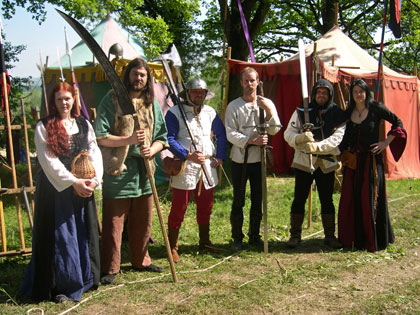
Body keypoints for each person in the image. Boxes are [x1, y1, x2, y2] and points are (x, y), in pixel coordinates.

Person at [21, 82, 103, 303]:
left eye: (67, 98)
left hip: (83, 188)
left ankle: (86, 278)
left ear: (74, 99)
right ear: (53, 101)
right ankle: (60, 285)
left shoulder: (84, 124)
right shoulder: (44, 126)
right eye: (59, 99)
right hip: (56, 191)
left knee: (82, 232)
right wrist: (73, 181)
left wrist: (94, 180)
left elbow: (94, 151)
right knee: (61, 237)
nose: (64, 103)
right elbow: (49, 161)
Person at [94, 58, 168, 285]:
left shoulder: (151, 103)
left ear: (148, 80)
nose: (139, 78)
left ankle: (141, 260)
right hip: (119, 168)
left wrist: (151, 150)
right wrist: (129, 139)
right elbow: (100, 135)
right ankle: (110, 267)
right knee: (114, 221)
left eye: (143, 75)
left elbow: (161, 138)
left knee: (143, 219)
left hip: (145, 168)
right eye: (135, 74)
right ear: (127, 76)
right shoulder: (112, 99)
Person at [338, 79, 406, 252]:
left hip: (371, 161)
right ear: (351, 95)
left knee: (369, 198)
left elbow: (398, 123)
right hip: (353, 162)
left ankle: (372, 238)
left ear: (366, 92)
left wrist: (385, 142)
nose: (358, 95)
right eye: (355, 92)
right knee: (350, 197)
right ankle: (353, 238)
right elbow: (342, 133)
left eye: (361, 91)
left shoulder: (376, 108)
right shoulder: (349, 111)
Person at [165, 78, 227, 262]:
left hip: (207, 164)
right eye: (194, 91)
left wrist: (220, 156)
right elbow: (169, 138)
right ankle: (173, 246)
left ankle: (205, 241)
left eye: (202, 92)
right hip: (186, 165)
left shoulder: (210, 112)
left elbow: (221, 135)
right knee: (179, 206)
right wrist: (186, 154)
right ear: (188, 93)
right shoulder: (175, 112)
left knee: (206, 206)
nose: (198, 94)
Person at [284, 79, 346, 249]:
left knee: (327, 199)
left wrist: (317, 146)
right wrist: (300, 138)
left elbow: (337, 139)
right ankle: (295, 235)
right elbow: (288, 134)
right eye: (318, 92)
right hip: (304, 160)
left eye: (325, 93)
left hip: (325, 163)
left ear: (330, 95)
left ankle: (330, 235)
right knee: (299, 198)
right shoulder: (301, 111)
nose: (321, 95)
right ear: (313, 94)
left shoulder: (338, 114)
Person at [225, 67, 281, 251]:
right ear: (241, 83)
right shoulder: (234, 106)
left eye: (252, 80)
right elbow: (230, 133)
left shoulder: (266, 103)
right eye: (246, 81)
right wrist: (250, 140)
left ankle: (255, 235)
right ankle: (236, 237)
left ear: (258, 82)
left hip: (259, 161)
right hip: (240, 160)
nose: (249, 84)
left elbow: (275, 129)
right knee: (238, 199)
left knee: (258, 199)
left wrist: (269, 112)